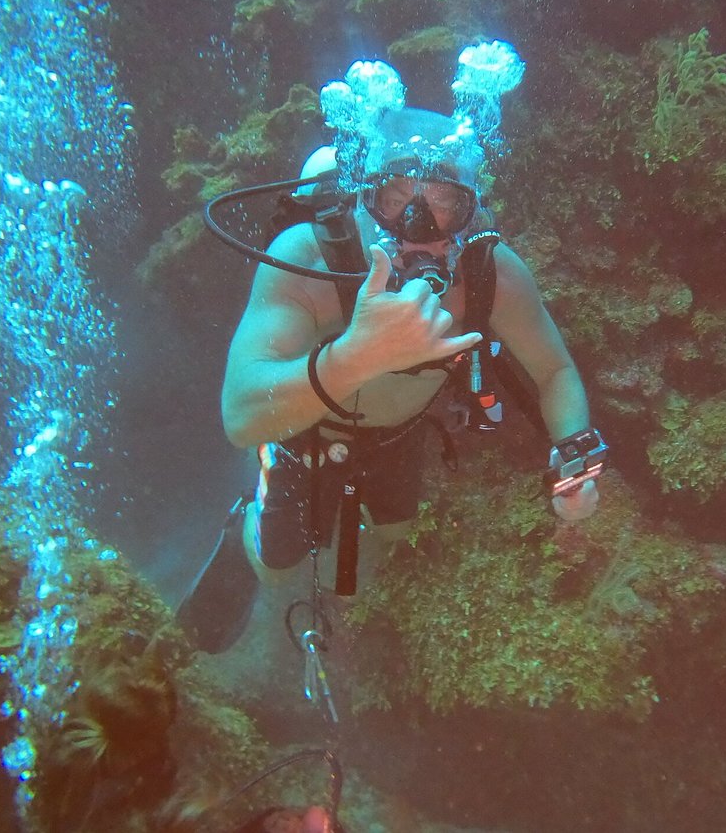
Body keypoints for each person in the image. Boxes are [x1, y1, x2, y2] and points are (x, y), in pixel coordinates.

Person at [177, 104, 602, 654]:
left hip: (399, 436)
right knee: (278, 562)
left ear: (469, 216)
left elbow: (556, 370)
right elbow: (241, 414)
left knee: (396, 532)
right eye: (397, 199)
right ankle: (246, 528)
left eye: (444, 205)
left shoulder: (490, 275)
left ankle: (352, 598)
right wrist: (356, 356)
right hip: (304, 435)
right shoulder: (308, 258)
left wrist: (573, 454)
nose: (417, 227)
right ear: (365, 197)